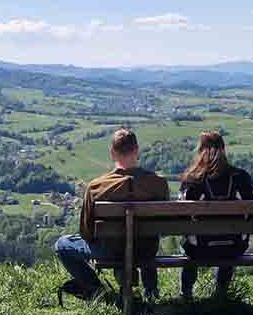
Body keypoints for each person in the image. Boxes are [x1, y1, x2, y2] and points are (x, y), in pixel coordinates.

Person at [54, 128, 170, 304]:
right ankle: (151, 293)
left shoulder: (96, 187)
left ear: (112, 153)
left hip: (111, 251)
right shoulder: (159, 184)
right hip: (146, 249)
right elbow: (164, 224)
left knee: (63, 245)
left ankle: (98, 291)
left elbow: (86, 232)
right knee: (146, 237)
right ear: (137, 150)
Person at [178, 131, 253, 300]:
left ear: (200, 151)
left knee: (187, 244)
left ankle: (186, 295)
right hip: (234, 247)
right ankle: (221, 293)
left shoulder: (192, 179)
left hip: (199, 250)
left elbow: (182, 217)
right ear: (223, 150)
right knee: (228, 243)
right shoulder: (240, 177)